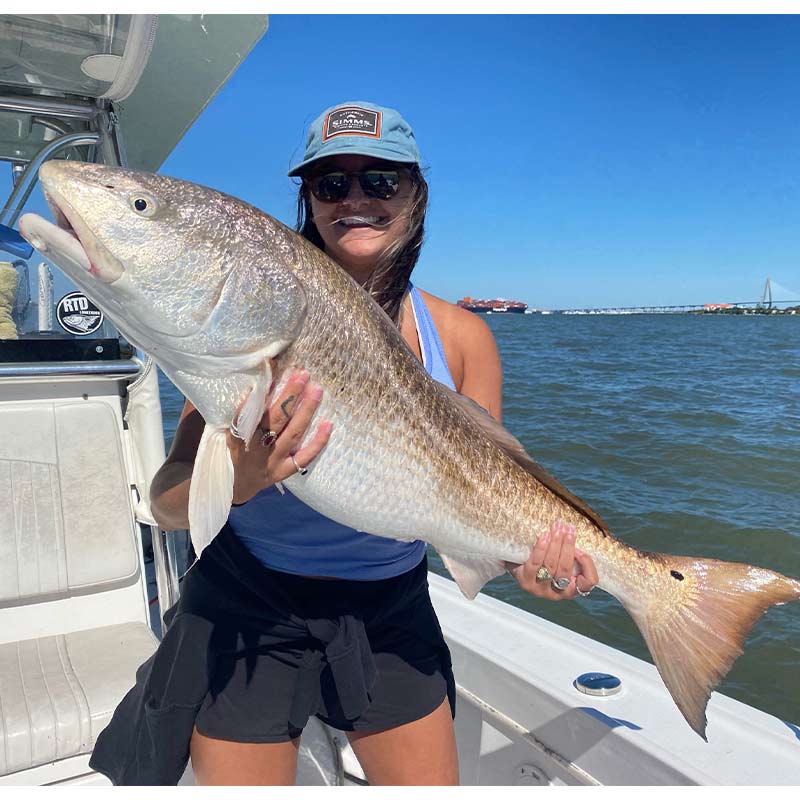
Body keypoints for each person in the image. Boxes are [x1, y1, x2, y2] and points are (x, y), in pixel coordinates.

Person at [131, 101, 599, 786]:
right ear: (309, 201)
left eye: (381, 181)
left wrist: (533, 559)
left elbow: (487, 492)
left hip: (389, 608)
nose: (355, 200)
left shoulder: (463, 337)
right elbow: (170, 503)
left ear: (415, 195)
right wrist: (244, 473)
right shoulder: (248, 324)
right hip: (247, 604)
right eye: (331, 184)